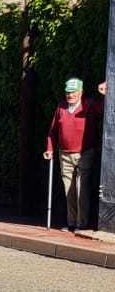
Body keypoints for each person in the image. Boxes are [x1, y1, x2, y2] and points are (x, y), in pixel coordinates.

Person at [46, 76, 106, 235]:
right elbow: (52, 131)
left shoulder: (89, 104)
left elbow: (105, 109)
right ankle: (72, 223)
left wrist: (104, 94)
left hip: (84, 153)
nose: (70, 95)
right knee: (68, 189)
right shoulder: (61, 107)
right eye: (67, 92)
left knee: (81, 188)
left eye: (73, 92)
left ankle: (82, 223)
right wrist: (50, 149)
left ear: (81, 92)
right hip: (64, 154)